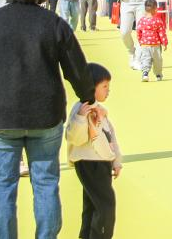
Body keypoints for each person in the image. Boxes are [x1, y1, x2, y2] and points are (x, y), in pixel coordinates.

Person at [0, 0, 96, 239]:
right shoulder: (53, 23)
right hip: (45, 116)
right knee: (47, 183)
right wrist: (88, 98)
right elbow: (77, 68)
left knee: (1, 186)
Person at [66, 63, 122, 239]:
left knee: (92, 205)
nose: (108, 90)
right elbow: (75, 138)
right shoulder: (82, 109)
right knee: (105, 205)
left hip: (101, 162)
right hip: (89, 162)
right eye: (104, 86)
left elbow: (110, 136)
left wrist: (116, 160)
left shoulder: (99, 110)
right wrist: (81, 119)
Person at [135, 0, 167, 83]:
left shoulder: (142, 21)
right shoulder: (158, 20)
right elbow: (162, 33)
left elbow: (138, 32)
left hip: (145, 45)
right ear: (154, 9)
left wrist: (140, 41)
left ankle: (145, 73)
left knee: (145, 59)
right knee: (158, 60)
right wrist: (165, 42)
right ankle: (158, 74)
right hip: (156, 45)